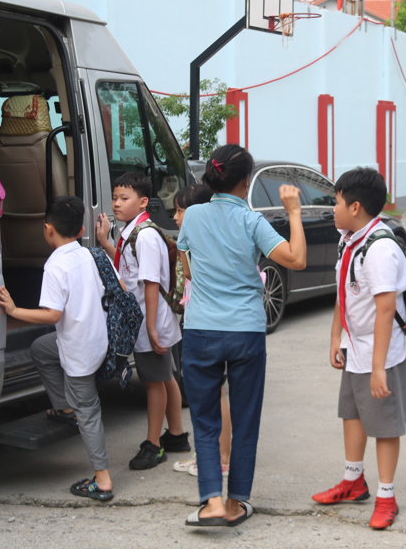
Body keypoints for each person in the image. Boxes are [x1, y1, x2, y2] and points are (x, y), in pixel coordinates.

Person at [176, 144, 306, 527]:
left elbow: (187, 265)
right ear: (246, 181)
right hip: (246, 329)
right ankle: (236, 503)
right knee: (245, 418)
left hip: (200, 328)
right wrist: (294, 212)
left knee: (204, 419)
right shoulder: (251, 222)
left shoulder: (193, 216)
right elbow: (296, 258)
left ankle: (211, 501)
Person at [0, 195, 115, 501]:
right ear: (81, 229)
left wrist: (13, 311)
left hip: (79, 349)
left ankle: (102, 480)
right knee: (40, 348)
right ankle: (64, 407)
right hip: (95, 337)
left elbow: (51, 315)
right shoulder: (89, 254)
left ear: (48, 229)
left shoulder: (55, 265)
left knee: (88, 412)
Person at [311, 168, 406, 530]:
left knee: (384, 424)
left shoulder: (380, 248)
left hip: (382, 352)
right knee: (351, 413)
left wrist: (380, 367)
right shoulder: (349, 237)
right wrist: (335, 336)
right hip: (356, 346)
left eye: (335, 202)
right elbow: (344, 290)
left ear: (355, 206)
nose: (331, 208)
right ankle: (354, 482)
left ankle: (387, 497)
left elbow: (386, 309)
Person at [96, 172, 188, 470]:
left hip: (151, 321)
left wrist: (149, 327)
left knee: (153, 383)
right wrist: (105, 242)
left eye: (124, 198)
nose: (117, 204)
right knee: (166, 377)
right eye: (115, 198)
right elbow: (129, 268)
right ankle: (176, 434)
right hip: (155, 319)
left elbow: (149, 283)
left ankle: (153, 444)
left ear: (143, 201)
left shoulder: (145, 236)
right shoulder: (135, 232)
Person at [168, 184, 233, 479]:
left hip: (204, 324)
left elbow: (190, 275)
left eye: (181, 210)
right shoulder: (218, 236)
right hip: (221, 322)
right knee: (217, 394)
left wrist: (181, 248)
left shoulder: (194, 240)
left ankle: (215, 460)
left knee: (210, 395)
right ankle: (220, 458)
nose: (176, 216)